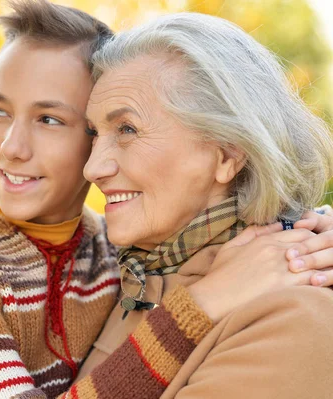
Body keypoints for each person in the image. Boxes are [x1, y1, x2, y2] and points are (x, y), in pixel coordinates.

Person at [0, 2, 333, 398]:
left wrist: (309, 231)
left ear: (228, 155)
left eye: (52, 120)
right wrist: (204, 302)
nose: (11, 147)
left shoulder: (109, 259)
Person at [69, 12, 333, 398]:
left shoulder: (295, 318)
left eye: (127, 129)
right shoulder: (114, 278)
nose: (92, 168)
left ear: (227, 155)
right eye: (95, 134)